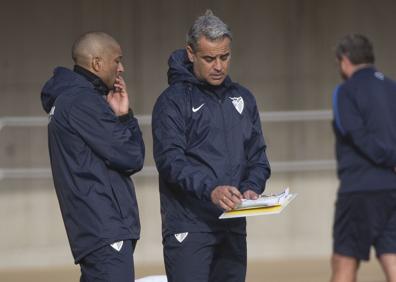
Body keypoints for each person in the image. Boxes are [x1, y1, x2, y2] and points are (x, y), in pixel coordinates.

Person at [152, 10, 271, 282]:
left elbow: (258, 157)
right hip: (189, 227)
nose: (218, 66)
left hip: (233, 224)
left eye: (224, 57)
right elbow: (170, 161)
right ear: (191, 53)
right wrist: (211, 191)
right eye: (209, 58)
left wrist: (252, 187)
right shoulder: (172, 101)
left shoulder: (243, 98)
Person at [40, 32, 145, 281]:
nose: (122, 68)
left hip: (96, 230)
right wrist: (124, 117)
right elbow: (132, 156)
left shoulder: (73, 100)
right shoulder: (82, 101)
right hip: (104, 229)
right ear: (97, 63)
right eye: (117, 60)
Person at [331, 34, 396, 282]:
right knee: (392, 258)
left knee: (344, 262)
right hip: (392, 189)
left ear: (345, 60)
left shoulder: (345, 91)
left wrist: (390, 157)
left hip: (360, 190)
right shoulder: (392, 87)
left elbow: (356, 134)